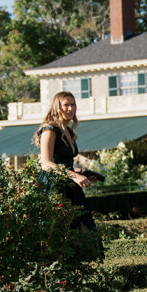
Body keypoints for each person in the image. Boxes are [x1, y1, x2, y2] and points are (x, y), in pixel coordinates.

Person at [35, 91, 101, 244]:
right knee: (64, 234)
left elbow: (66, 163)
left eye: (73, 105)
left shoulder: (68, 131)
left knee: (86, 231)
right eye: (66, 105)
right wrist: (74, 176)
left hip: (70, 186)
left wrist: (82, 173)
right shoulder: (50, 130)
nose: (70, 109)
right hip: (55, 188)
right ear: (57, 107)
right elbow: (46, 163)